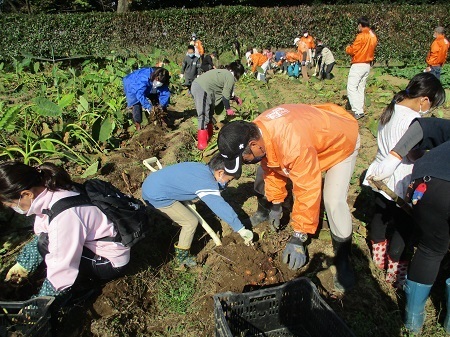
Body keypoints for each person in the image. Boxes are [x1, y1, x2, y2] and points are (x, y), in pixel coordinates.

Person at [217, 103, 360, 293]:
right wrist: (276, 203)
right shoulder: (257, 132)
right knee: (262, 173)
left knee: (334, 201)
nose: (247, 163)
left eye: (245, 159)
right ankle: (264, 211)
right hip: (310, 134)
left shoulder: (293, 144)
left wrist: (299, 237)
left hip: (341, 142)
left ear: (253, 145)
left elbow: (308, 188)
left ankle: (343, 260)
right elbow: (271, 167)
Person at [363, 73, 445, 289]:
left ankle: (378, 260)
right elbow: (411, 155)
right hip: (400, 180)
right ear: (424, 100)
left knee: (381, 218)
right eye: (432, 104)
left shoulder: (392, 107)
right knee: (403, 228)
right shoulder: (411, 121)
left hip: (380, 174)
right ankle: (395, 274)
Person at [1, 162, 130, 299]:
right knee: (45, 242)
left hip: (109, 261)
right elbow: (45, 232)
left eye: (12, 205)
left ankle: (82, 282)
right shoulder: (53, 188)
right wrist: (22, 266)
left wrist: (39, 303)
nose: (14, 209)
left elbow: (61, 270)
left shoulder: (65, 216)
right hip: (104, 240)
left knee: (48, 246)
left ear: (26, 194)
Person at [370, 117, 450, 333]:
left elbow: (423, 126)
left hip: (425, 182)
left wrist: (394, 157)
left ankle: (412, 321)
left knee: (430, 249)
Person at [141, 154, 254, 268]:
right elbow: (220, 207)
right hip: (155, 196)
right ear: (220, 173)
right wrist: (241, 229)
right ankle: (182, 258)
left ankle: (176, 217)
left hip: (153, 182)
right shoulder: (206, 183)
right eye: (229, 179)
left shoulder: (201, 168)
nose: (228, 183)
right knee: (190, 222)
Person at [191, 61, 245, 150]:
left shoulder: (225, 73)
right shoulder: (230, 77)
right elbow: (225, 96)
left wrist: (235, 98)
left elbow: (226, 92)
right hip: (202, 88)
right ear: (238, 73)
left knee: (209, 115)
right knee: (204, 115)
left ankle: (209, 137)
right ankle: (202, 144)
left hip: (202, 88)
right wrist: (228, 109)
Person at [345, 16, 378, 120]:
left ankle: (357, 111)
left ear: (360, 25)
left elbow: (353, 50)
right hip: (367, 65)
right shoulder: (373, 36)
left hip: (358, 63)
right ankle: (360, 110)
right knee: (360, 88)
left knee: (351, 87)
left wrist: (347, 48)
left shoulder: (361, 36)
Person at [122, 66, 171, 131]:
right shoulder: (144, 77)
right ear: (155, 77)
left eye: (160, 82)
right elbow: (140, 94)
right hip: (131, 83)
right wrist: (149, 107)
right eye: (157, 80)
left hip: (149, 83)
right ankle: (138, 126)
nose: (158, 82)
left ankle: (162, 119)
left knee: (156, 98)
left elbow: (165, 94)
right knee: (136, 103)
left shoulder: (163, 79)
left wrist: (161, 106)